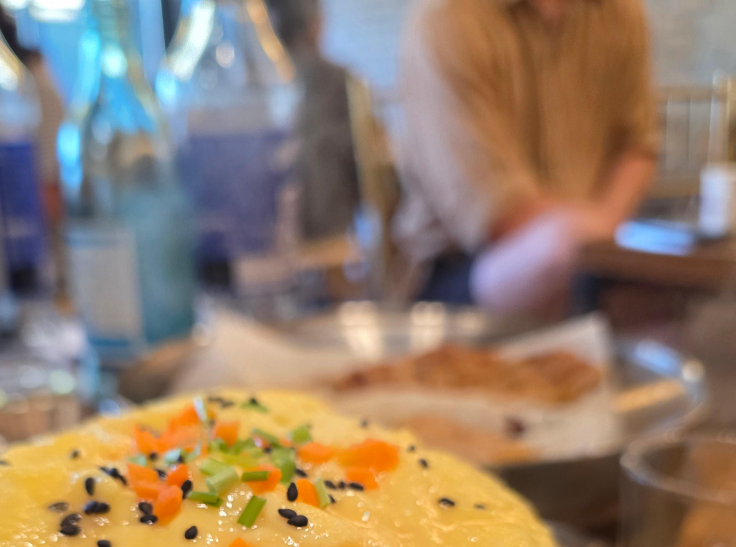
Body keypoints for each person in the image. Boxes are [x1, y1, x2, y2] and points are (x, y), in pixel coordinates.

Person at [394, 0, 658, 313]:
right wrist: (596, 240)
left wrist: (602, 236)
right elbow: (496, 212)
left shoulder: (621, 13)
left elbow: (636, 145)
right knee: (560, 251)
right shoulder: (448, 19)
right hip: (459, 269)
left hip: (590, 245)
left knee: (670, 294)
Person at [266, 0, 361, 239]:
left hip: (269, 237)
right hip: (330, 232)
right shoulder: (340, 81)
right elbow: (369, 167)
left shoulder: (252, 84)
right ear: (315, 26)